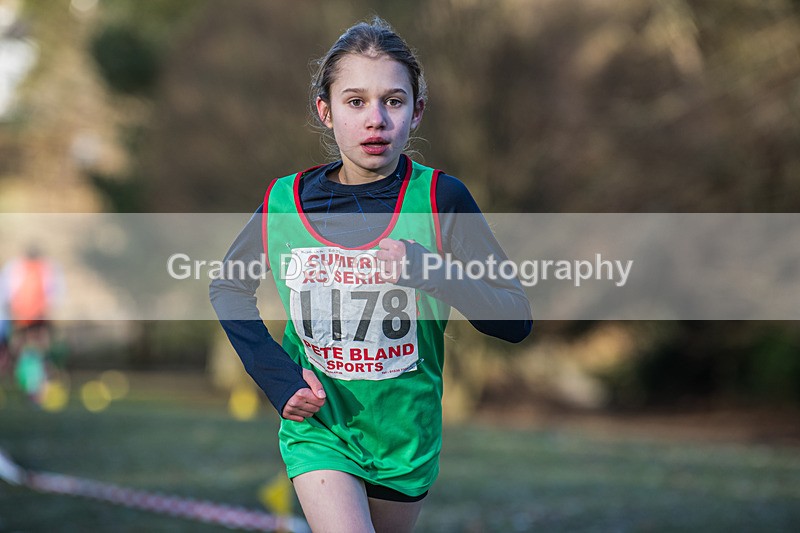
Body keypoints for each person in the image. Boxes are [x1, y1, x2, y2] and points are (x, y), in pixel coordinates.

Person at [210, 17, 532, 532]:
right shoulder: (283, 201)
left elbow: (515, 319)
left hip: (405, 438)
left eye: (393, 101)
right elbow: (228, 286)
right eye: (355, 101)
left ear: (417, 111)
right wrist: (276, 377)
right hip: (321, 427)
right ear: (325, 110)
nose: (375, 119)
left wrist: (430, 271)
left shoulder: (441, 199)